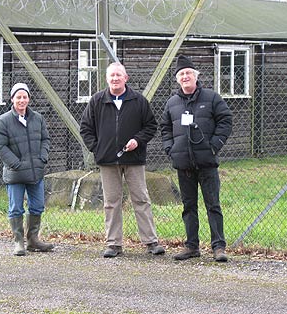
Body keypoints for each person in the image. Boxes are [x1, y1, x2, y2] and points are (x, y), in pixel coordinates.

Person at [80, 62, 165, 258]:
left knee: (141, 199)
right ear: (107, 79)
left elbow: (151, 126)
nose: (115, 79)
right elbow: (85, 128)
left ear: (126, 78)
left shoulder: (139, 101)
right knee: (111, 202)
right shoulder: (97, 101)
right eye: (112, 76)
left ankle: (151, 242)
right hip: (107, 161)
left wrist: (138, 140)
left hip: (134, 159)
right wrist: (97, 148)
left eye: (119, 75)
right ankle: (113, 244)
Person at [160, 55, 232, 262]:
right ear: (177, 79)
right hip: (183, 164)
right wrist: (170, 149)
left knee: (213, 205)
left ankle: (218, 247)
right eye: (181, 74)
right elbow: (164, 127)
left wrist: (215, 145)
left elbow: (225, 120)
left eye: (188, 73)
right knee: (188, 206)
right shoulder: (172, 103)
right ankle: (191, 246)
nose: (185, 77)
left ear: (195, 76)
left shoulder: (211, 98)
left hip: (206, 162)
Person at [0, 82, 54, 256]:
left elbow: (45, 140)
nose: (21, 100)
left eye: (24, 97)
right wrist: (16, 164)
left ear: (29, 99)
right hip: (15, 174)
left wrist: (42, 158)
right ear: (12, 99)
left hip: (36, 172)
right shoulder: (3, 121)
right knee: (16, 208)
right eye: (18, 97)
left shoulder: (38, 118)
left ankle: (33, 240)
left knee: (37, 206)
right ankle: (18, 241)